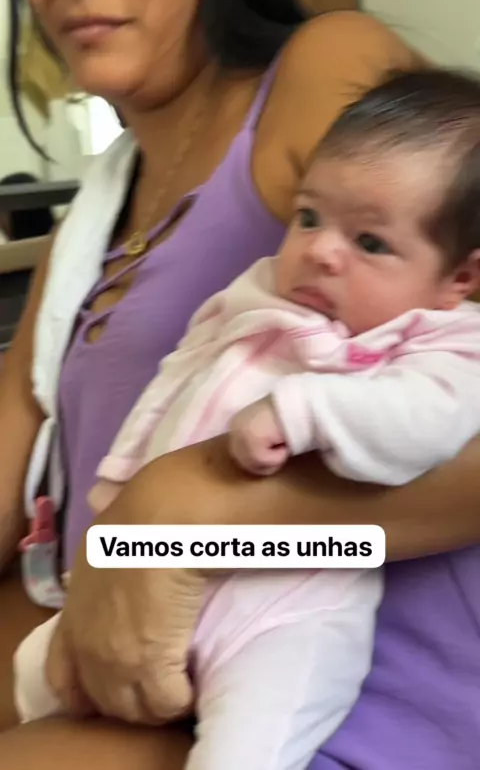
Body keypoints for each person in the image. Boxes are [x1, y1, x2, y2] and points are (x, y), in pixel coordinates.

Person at [8, 64, 480, 770]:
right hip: (159, 568)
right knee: (33, 673)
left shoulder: (442, 341)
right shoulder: (258, 294)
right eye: (309, 217)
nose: (320, 251)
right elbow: (180, 377)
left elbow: (425, 424)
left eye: (370, 243)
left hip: (292, 595)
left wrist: (303, 412)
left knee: (247, 745)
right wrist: (124, 480)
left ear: (460, 278)